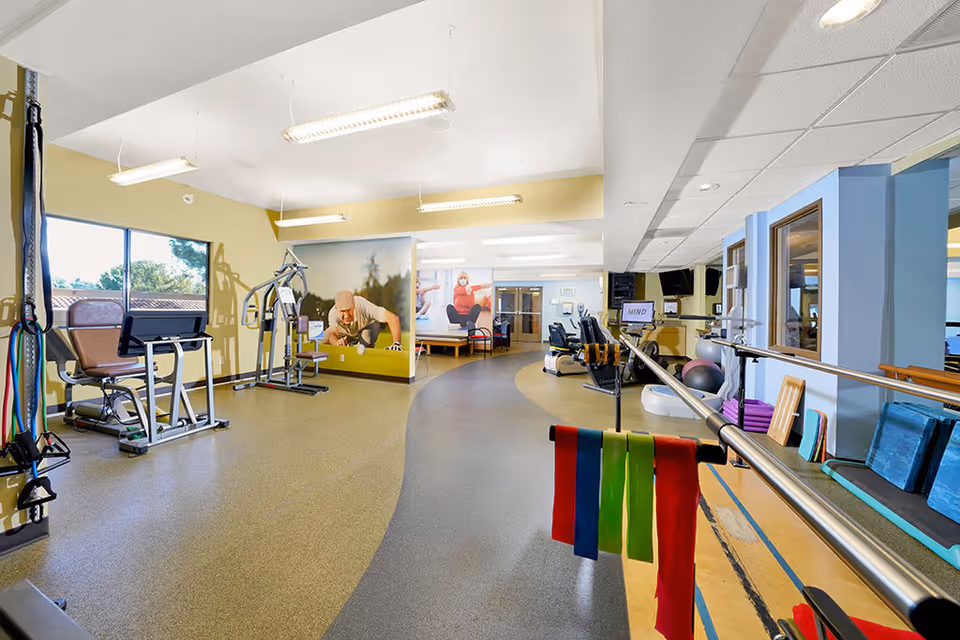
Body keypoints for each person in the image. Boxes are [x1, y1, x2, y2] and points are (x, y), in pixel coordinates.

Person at [324, 290, 403, 351]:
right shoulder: (333, 313)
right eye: (342, 312)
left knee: (366, 340)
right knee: (324, 338)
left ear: (354, 305)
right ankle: (352, 344)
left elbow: (393, 318)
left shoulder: (363, 305)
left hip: (367, 327)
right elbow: (332, 335)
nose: (347, 316)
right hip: (345, 331)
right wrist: (337, 342)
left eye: (348, 310)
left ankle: (362, 344)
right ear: (337, 309)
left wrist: (396, 344)